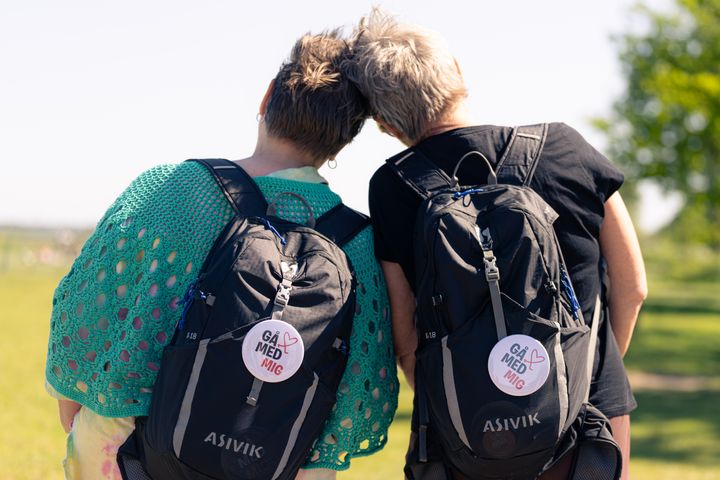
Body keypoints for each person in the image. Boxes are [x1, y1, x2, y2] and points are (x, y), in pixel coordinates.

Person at [44, 30, 398, 480]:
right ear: (346, 137)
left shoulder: (174, 188)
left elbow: (87, 304)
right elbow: (361, 385)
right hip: (268, 462)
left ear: (268, 96)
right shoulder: (357, 244)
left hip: (127, 447)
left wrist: (74, 407)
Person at [344, 9, 647, 480]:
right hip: (591, 425)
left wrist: (449, 401)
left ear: (384, 122)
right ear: (459, 72)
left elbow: (403, 327)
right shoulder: (566, 149)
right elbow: (633, 286)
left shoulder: (392, 186)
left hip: (466, 434)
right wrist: (583, 375)